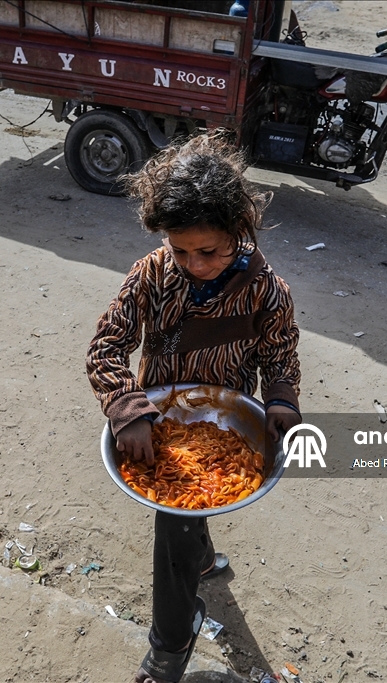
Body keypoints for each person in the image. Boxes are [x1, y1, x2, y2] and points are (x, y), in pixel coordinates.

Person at [86, 133, 302, 683]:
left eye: (209, 251)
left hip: (225, 422)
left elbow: (280, 357)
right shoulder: (153, 275)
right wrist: (128, 409)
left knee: (174, 523)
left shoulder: (266, 291)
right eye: (181, 249)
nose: (194, 263)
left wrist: (281, 403)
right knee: (180, 514)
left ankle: (170, 645)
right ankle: (202, 562)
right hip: (157, 425)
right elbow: (106, 346)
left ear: (239, 231)